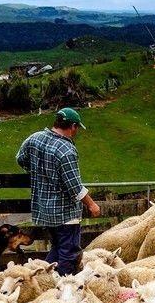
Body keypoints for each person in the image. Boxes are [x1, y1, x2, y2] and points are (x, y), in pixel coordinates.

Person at [16, 107, 100, 275]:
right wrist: (92, 205)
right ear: (73, 126)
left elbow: (20, 158)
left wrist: (37, 173)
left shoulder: (35, 138)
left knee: (57, 248)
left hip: (44, 210)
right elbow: (74, 186)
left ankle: (42, 278)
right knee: (69, 254)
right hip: (65, 213)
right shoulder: (66, 151)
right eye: (76, 128)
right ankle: (62, 287)